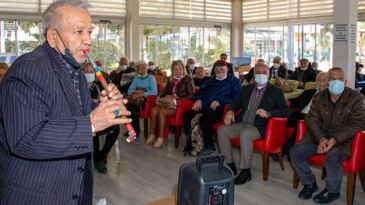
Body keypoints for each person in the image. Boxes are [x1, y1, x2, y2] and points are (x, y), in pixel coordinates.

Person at [0, 1, 131, 204]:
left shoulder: (75, 72)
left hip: (71, 190)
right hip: (37, 195)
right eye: (79, 32)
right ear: (53, 36)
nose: (88, 40)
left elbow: (76, 114)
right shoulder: (29, 68)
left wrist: (102, 107)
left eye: (89, 32)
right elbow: (26, 138)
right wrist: (92, 123)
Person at [290, 67, 365, 204]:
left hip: (344, 141)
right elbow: (311, 119)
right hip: (319, 138)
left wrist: (334, 139)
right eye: (332, 79)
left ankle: (332, 191)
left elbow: (357, 124)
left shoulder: (356, 98)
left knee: (332, 157)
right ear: (328, 81)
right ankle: (310, 183)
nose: (336, 81)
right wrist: (322, 138)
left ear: (345, 81)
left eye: (340, 79)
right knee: (295, 151)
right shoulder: (319, 97)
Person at [217, 63, 290, 185]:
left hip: (260, 126)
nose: (261, 74)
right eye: (258, 72)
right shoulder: (246, 89)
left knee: (245, 134)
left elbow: (286, 110)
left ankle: (246, 172)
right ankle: (229, 165)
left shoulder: (276, 91)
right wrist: (230, 111)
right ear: (254, 74)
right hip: (243, 122)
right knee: (222, 130)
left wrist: (269, 113)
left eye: (264, 72)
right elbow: (235, 102)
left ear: (268, 74)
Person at [182, 60, 241, 155]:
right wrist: (198, 99)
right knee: (187, 114)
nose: (219, 72)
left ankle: (209, 146)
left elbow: (236, 97)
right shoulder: (210, 80)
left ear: (227, 69)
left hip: (222, 109)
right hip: (205, 106)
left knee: (205, 119)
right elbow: (201, 91)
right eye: (216, 70)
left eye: (222, 69)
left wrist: (220, 102)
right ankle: (193, 142)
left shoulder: (234, 81)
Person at [271, 72, 328, 161]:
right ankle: (272, 146)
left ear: (329, 82)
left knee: (300, 125)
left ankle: (284, 152)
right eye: (318, 80)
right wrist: (280, 102)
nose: (320, 82)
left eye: (324, 80)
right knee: (278, 119)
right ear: (315, 82)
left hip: (313, 119)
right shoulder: (309, 92)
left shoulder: (330, 97)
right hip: (299, 115)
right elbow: (294, 101)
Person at [144, 60, 194, 149]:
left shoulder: (187, 79)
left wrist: (176, 102)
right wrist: (159, 97)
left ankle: (161, 138)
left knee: (162, 112)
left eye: (180, 69)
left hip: (180, 106)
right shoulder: (171, 79)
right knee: (154, 110)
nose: (178, 71)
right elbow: (166, 91)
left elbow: (190, 94)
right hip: (169, 104)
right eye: (175, 69)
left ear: (183, 69)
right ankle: (152, 135)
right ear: (172, 70)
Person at [81, 63, 120, 174]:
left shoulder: (99, 86)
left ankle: (103, 154)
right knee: (92, 129)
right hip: (88, 119)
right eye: (87, 72)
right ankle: (98, 160)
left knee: (115, 128)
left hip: (103, 116)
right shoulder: (79, 87)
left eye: (92, 72)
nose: (89, 74)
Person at [126, 60, 157, 137]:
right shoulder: (136, 79)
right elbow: (129, 90)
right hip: (137, 100)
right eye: (140, 68)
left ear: (147, 68)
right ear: (137, 70)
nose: (142, 70)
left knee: (134, 108)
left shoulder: (151, 78)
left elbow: (154, 92)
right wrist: (135, 93)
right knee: (128, 108)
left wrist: (142, 94)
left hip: (148, 101)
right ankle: (131, 130)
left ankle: (135, 130)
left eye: (144, 68)